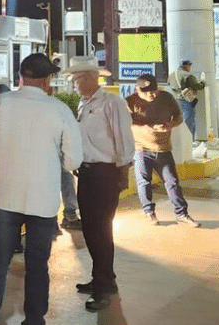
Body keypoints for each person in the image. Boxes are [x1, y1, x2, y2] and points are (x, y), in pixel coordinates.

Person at [0, 54, 83, 325]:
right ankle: (34, 319)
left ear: (21, 76)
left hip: (5, 197)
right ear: (46, 80)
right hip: (42, 202)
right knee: (37, 263)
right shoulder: (59, 110)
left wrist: (0, 154)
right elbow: (73, 160)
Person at [62, 56, 134, 312]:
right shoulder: (84, 104)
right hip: (87, 174)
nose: (73, 85)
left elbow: (124, 140)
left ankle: (104, 288)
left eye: (77, 79)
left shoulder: (111, 103)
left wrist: (122, 174)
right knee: (92, 231)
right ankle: (103, 279)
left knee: (101, 232)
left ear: (91, 78)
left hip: (105, 174)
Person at [127, 73, 199, 228]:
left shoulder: (166, 98)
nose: (151, 94)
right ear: (138, 90)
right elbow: (123, 123)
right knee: (143, 182)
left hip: (163, 149)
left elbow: (179, 118)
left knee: (172, 181)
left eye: (154, 91)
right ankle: (149, 212)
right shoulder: (130, 102)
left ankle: (181, 214)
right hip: (141, 148)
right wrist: (148, 127)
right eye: (146, 92)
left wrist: (169, 126)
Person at [168, 59, 206, 143]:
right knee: (189, 120)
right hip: (186, 100)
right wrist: (203, 83)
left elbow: (169, 84)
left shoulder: (172, 75)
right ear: (187, 66)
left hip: (176, 100)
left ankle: (179, 140)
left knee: (178, 121)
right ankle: (189, 141)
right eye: (190, 66)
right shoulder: (188, 75)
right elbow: (197, 86)